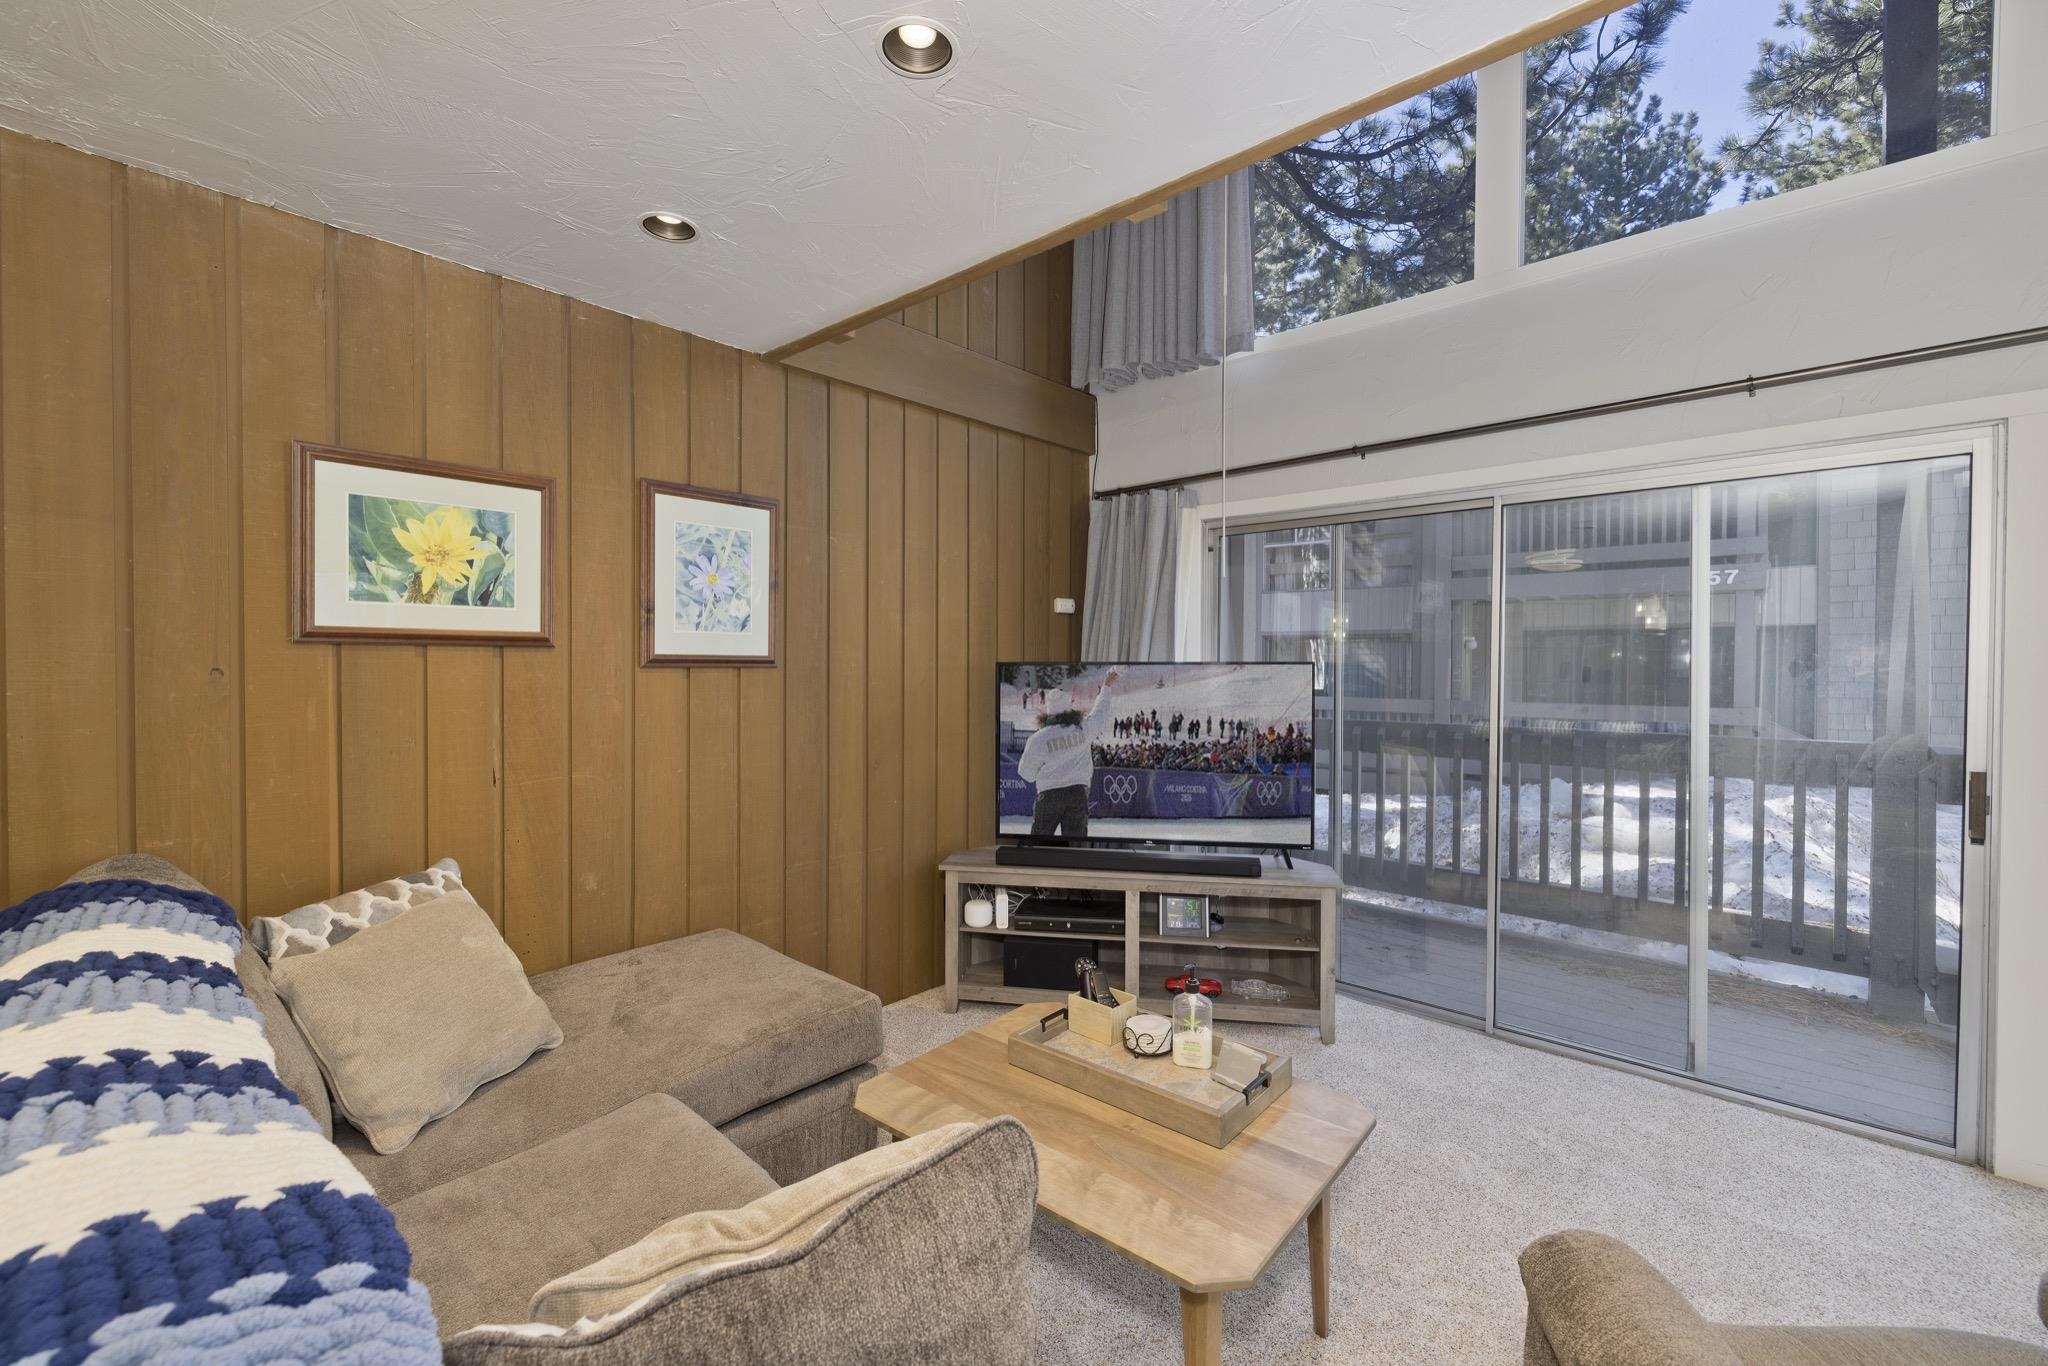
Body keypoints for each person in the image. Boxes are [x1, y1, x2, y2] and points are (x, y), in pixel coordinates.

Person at [1015, 670, 1119, 840]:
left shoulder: (1038, 739)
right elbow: (1100, 713)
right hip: (1077, 794)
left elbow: (1025, 773)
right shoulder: (1082, 728)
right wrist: (1106, 686)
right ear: (1069, 707)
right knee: (1075, 850)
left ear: (1048, 711)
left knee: (1038, 848)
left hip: (1048, 796)